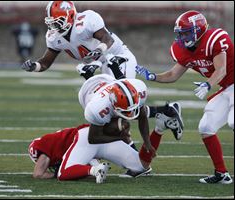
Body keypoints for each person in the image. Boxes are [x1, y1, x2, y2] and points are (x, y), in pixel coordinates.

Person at [20, 1, 184, 142]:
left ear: (70, 16)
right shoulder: (54, 36)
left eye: (58, 21)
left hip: (119, 58)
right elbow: (46, 62)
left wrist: (98, 52)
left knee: (120, 107)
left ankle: (137, 152)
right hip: (103, 65)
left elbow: (108, 39)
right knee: (113, 109)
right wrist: (33, 66)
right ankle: (166, 112)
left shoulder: (86, 21)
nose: (54, 26)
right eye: (52, 22)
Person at [135, 10, 233, 184]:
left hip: (229, 84)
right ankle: (222, 174)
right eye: (180, 33)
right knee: (206, 127)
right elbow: (173, 74)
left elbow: (221, 69)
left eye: (186, 32)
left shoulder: (213, 39)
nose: (182, 37)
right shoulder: (182, 50)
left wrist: (208, 84)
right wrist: (153, 76)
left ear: (199, 29)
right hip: (227, 88)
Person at [28, 114, 171, 183]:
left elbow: (38, 174)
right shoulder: (57, 140)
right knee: (141, 166)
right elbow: (89, 156)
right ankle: (159, 128)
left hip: (85, 138)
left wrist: (53, 173)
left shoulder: (42, 147)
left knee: (63, 174)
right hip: (96, 136)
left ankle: (95, 170)